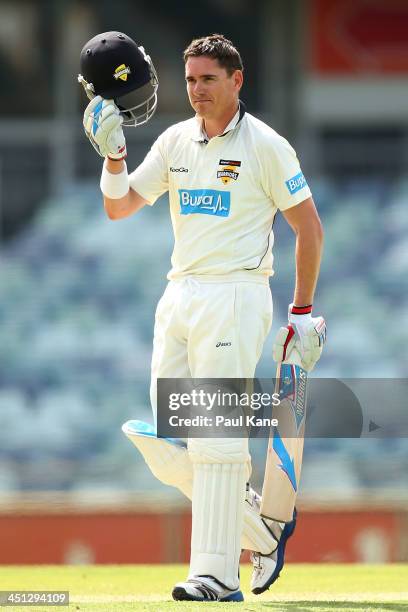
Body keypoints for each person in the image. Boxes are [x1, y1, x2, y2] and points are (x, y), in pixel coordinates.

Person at [79, 31, 326, 602]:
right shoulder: (174, 142)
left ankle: (214, 574)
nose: (197, 90)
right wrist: (113, 157)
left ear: (237, 81)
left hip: (235, 295)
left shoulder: (265, 144)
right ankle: (261, 530)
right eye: (189, 80)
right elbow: (119, 207)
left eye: (208, 79)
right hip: (181, 294)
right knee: (172, 443)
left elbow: (308, 229)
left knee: (218, 441)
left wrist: (303, 311)